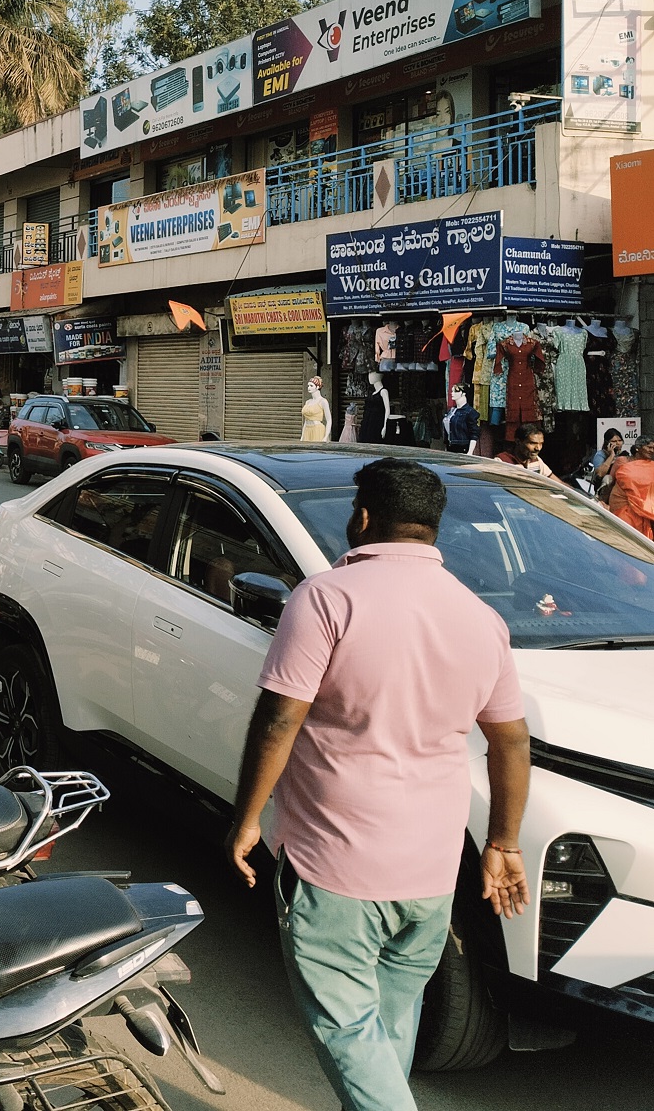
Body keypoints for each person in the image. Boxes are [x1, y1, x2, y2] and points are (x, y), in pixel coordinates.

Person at [226, 458, 530, 1111]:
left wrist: (247, 817)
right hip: (430, 877)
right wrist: (503, 841)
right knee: (387, 1031)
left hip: (336, 869)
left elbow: (280, 719)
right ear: (432, 528)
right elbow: (510, 740)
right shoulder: (480, 618)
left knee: (348, 1034)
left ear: (362, 517)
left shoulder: (328, 599)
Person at [608, 437, 654, 539]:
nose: (652, 451)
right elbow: (611, 481)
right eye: (649, 447)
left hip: (645, 511)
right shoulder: (623, 461)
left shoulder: (651, 466)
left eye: (653, 448)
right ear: (638, 448)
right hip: (624, 507)